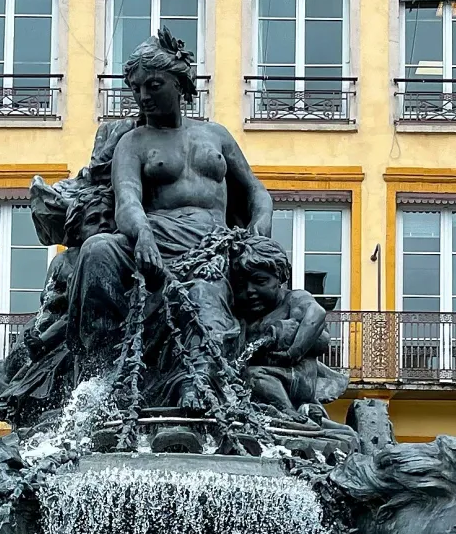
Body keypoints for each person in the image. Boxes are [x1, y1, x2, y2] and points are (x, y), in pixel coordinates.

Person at [65, 31, 275, 405]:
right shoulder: (134, 141)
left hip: (211, 246)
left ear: (179, 84)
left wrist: (259, 229)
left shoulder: (217, 136)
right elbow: (127, 198)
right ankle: (98, 372)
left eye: (153, 85)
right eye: (136, 88)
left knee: (202, 294)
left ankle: (196, 384)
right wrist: (142, 233)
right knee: (97, 249)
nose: (143, 96)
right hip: (152, 238)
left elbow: (257, 192)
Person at [230, 235, 347, 414]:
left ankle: (289, 414)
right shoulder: (246, 314)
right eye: (241, 285)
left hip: (296, 377)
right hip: (269, 379)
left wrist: (292, 353)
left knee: (252, 375)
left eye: (260, 281)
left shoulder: (294, 299)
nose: (250, 291)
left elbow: (317, 314)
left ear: (281, 277)